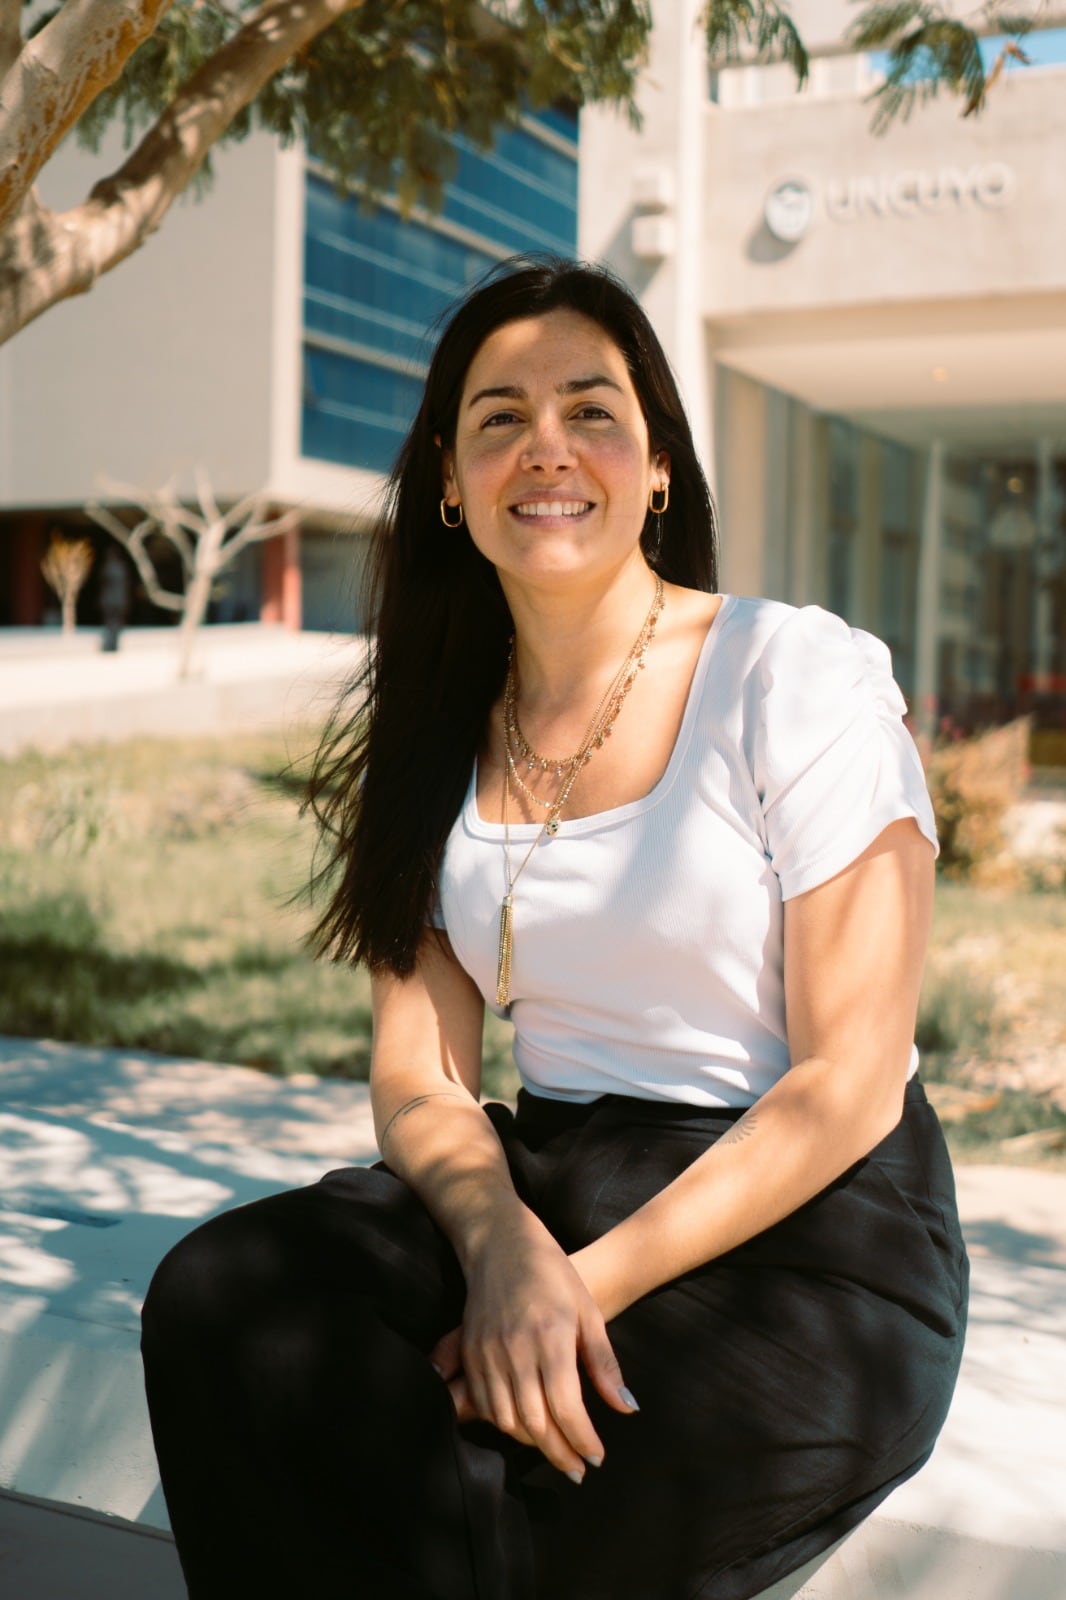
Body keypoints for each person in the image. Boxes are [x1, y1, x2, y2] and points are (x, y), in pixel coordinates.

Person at [141, 258, 968, 1600]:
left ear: (653, 466)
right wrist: (504, 1246)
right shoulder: (433, 738)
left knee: (509, 1476)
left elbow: (851, 1082)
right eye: (498, 418)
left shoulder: (789, 674)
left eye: (590, 408)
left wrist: (581, 1285)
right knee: (221, 1298)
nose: (546, 448)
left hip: (810, 1228)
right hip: (550, 1174)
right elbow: (418, 1077)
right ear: (450, 486)